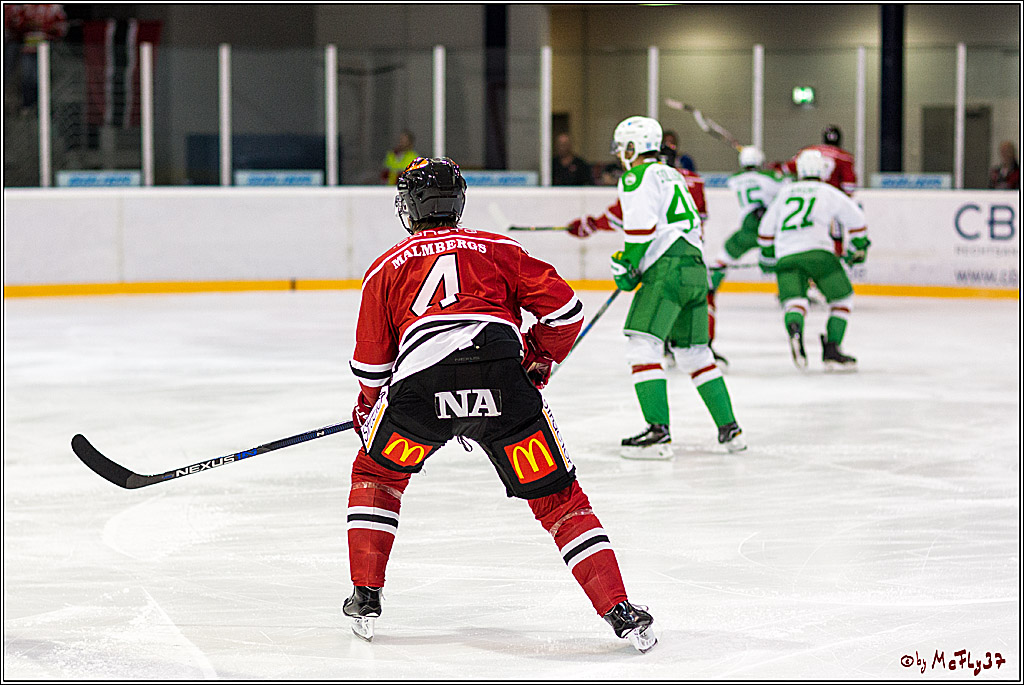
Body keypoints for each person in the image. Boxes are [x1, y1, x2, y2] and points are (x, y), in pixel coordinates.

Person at [344, 156, 657, 653]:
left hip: (421, 393)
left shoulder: (384, 267)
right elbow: (565, 312)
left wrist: (369, 408)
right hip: (503, 383)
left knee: (378, 476)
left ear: (410, 205)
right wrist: (537, 358)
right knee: (560, 501)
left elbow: (371, 369)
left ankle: (365, 593)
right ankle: (620, 608)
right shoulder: (501, 248)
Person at [607, 115, 745, 458]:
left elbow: (640, 230)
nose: (620, 155)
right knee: (696, 353)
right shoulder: (675, 174)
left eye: (623, 148)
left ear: (632, 147)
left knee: (642, 345)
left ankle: (658, 435)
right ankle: (731, 431)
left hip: (667, 270)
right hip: (697, 269)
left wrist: (627, 264)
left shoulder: (636, 175)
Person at [565, 138, 728, 368]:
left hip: (662, 258)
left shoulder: (645, 179)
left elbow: (621, 217)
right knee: (703, 298)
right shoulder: (691, 180)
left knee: (651, 325)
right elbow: (697, 219)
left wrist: (589, 225)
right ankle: (701, 346)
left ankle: (667, 343)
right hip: (693, 255)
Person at [758, 149, 869, 371]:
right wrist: (859, 247)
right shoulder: (828, 192)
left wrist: (768, 256)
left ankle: (795, 328)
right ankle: (832, 350)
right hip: (820, 255)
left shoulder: (785, 193)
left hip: (787, 255)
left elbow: (765, 231)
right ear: (823, 171)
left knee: (794, 302)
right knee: (842, 300)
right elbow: (858, 222)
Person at [709, 146, 789, 295]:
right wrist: (777, 169)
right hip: (769, 230)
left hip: (747, 227)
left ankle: (709, 291)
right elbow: (788, 186)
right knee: (786, 260)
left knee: (724, 256)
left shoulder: (735, 179)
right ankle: (789, 293)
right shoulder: (770, 177)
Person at [4, 4, 67, 112]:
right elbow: (14, 24)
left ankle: (43, 107)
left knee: (43, 78)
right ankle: (28, 105)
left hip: (47, 50)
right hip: (28, 49)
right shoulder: (25, 7)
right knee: (28, 78)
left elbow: (62, 27)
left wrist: (44, 27)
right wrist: (28, 25)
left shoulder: (54, 7)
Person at [782, 125, 857, 196]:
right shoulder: (845, 157)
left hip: (804, 196)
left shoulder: (807, 151)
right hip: (830, 199)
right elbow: (849, 187)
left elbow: (786, 168)